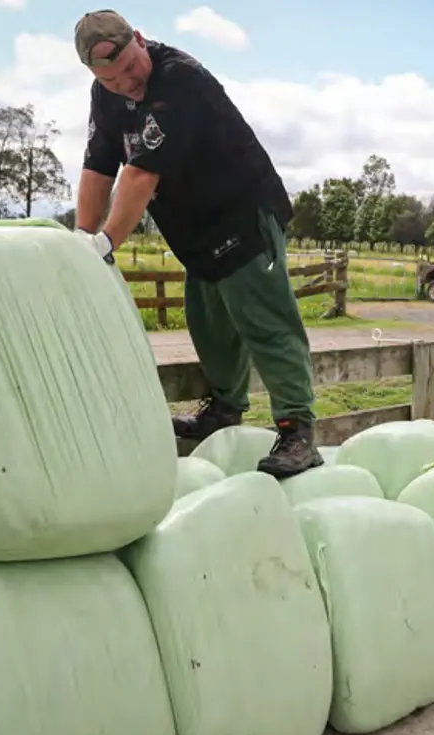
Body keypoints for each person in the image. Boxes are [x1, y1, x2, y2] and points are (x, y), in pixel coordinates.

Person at [69, 9, 323, 479]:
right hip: (196, 229)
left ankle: (298, 429)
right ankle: (225, 409)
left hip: (243, 213)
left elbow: (140, 173)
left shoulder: (178, 80)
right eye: (111, 79)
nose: (125, 82)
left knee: (266, 322)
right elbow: (98, 167)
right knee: (209, 326)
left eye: (128, 67)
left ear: (140, 40)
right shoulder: (105, 97)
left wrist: (106, 243)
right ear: (94, 77)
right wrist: (82, 241)